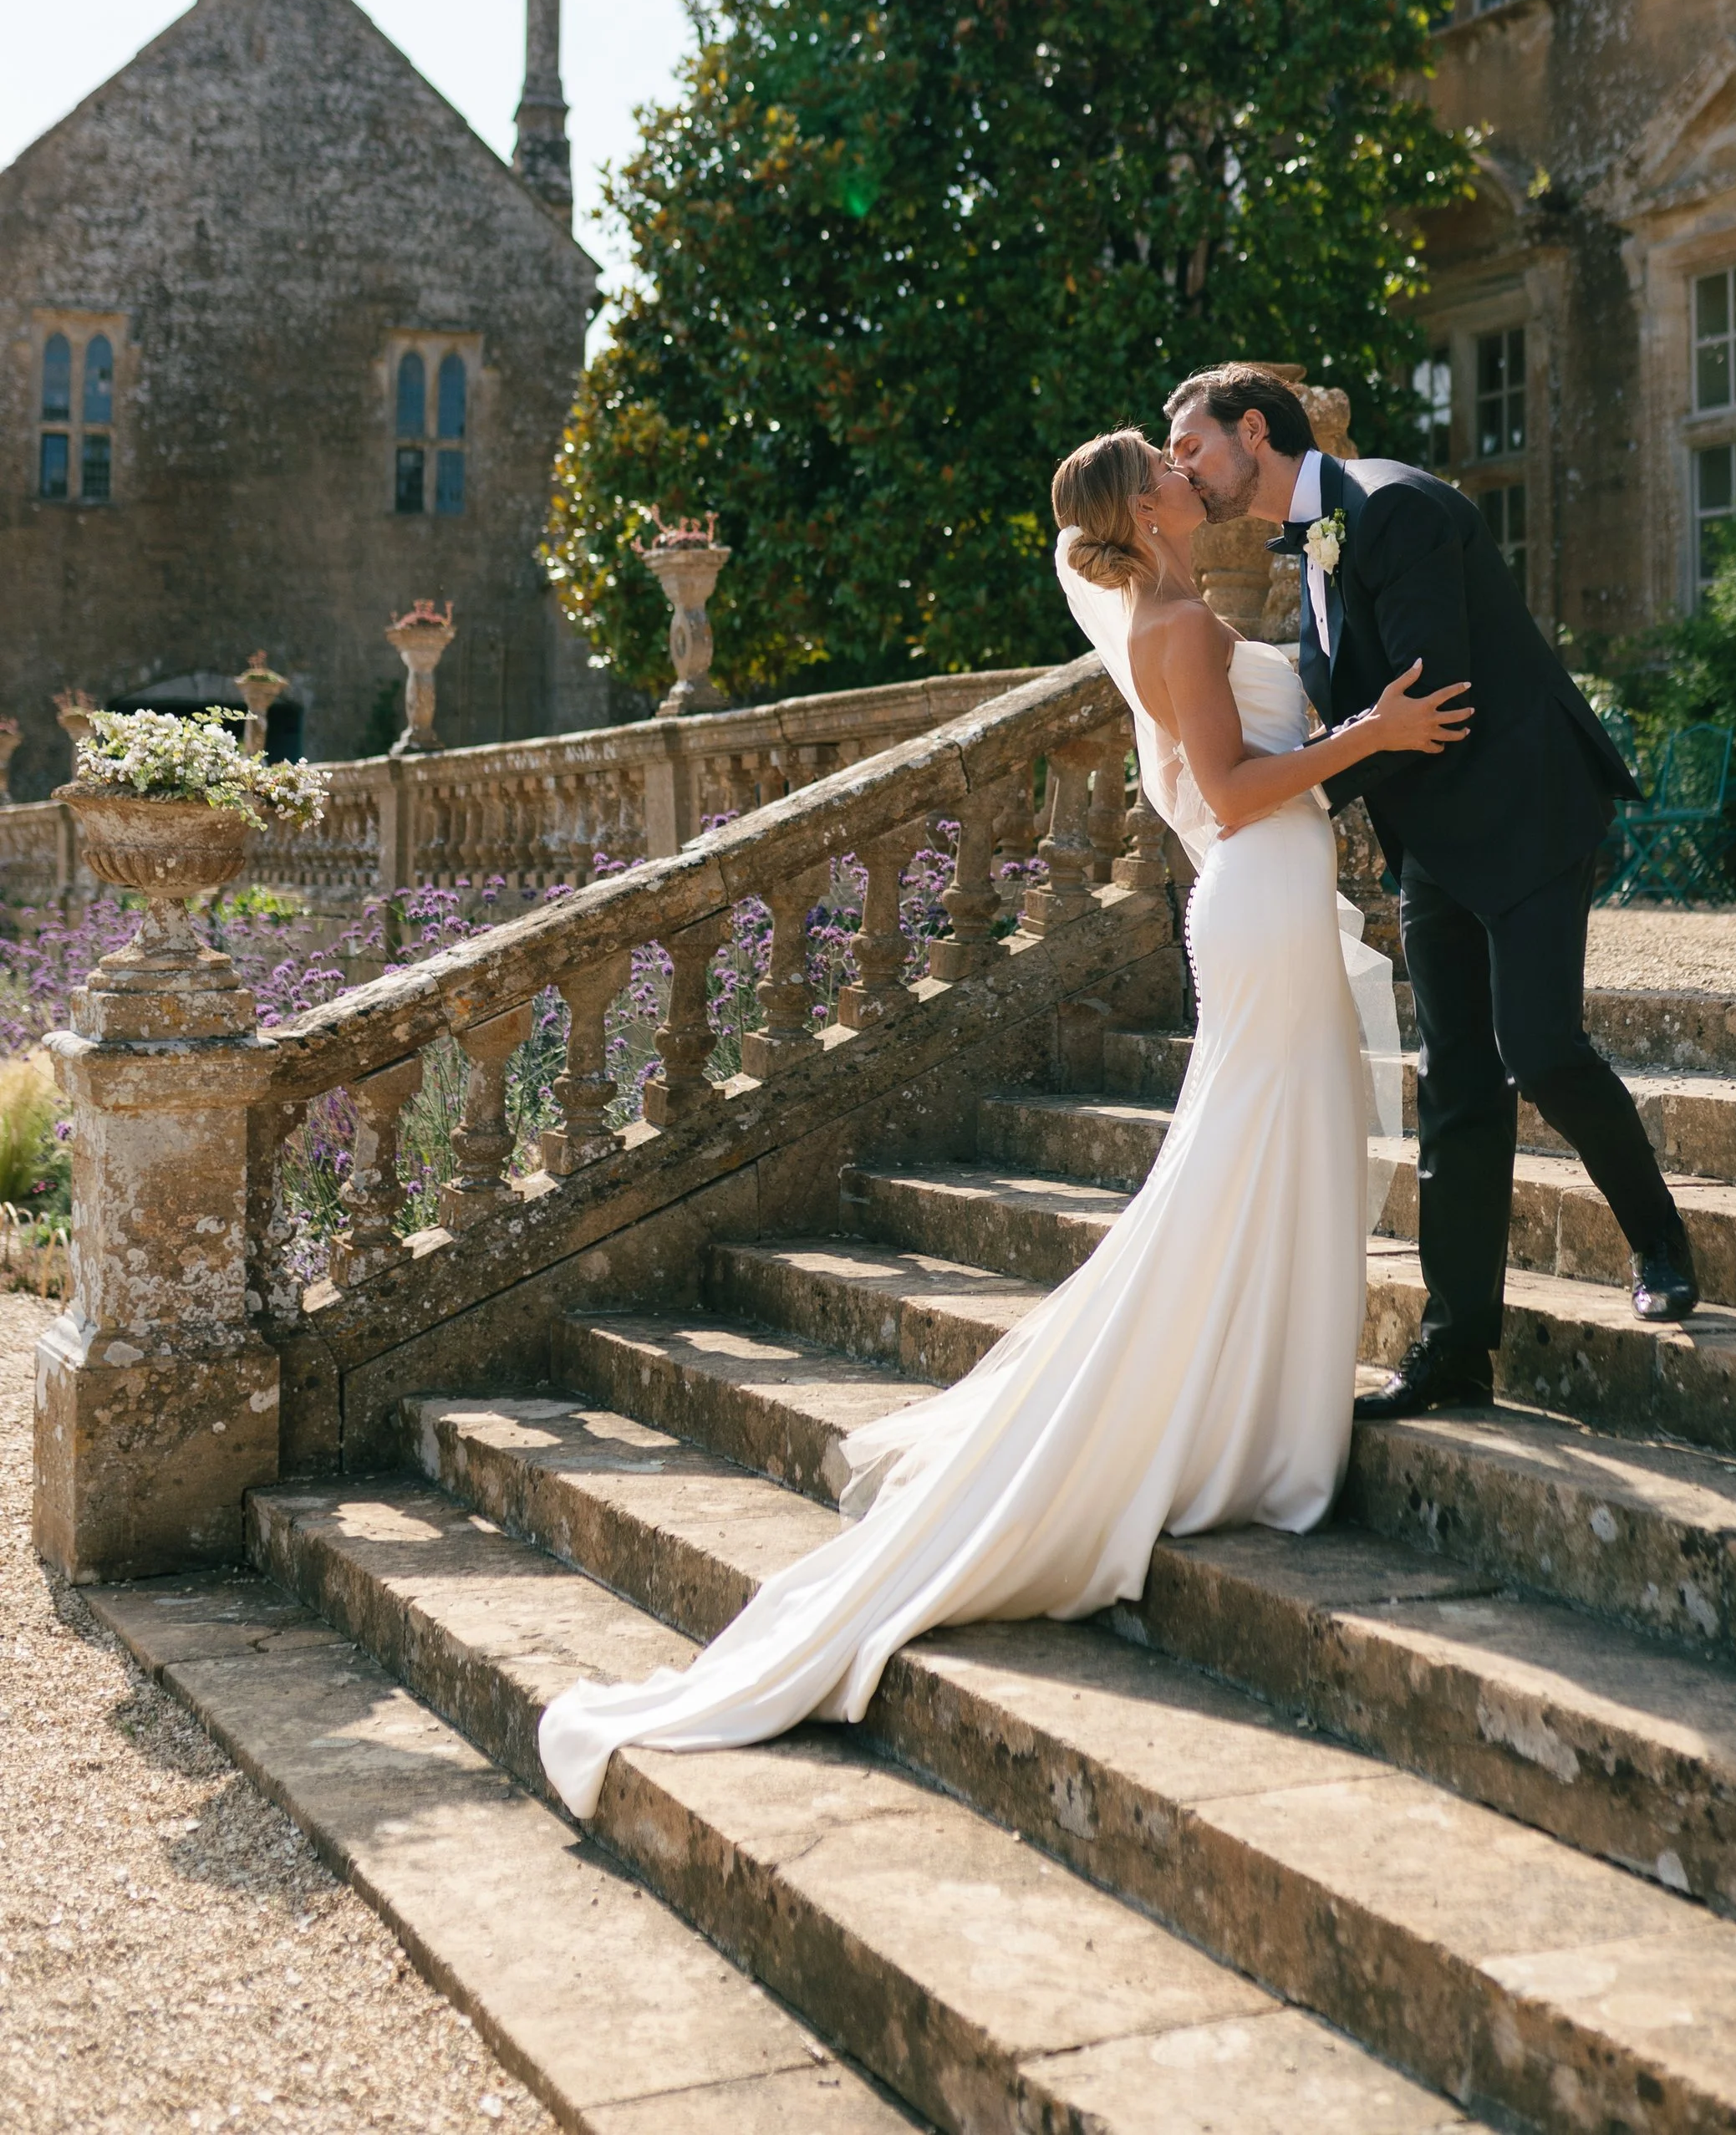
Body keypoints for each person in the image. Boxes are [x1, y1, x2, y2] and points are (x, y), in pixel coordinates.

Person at [536, 425, 1471, 1821]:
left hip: (1260, 901)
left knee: (1267, 1160)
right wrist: (1373, 737)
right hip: (1261, 898)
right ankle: (1252, 1437)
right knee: (1251, 1163)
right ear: (1144, 517)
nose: (1185, 474)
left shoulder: (1170, 613)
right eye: (1166, 470)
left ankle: (1264, 1420)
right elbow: (1226, 793)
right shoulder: (1182, 631)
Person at [1164, 363, 1698, 1425]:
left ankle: (1660, 1241)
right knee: (1451, 1081)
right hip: (1433, 840)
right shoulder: (1306, 544)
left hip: (1528, 804)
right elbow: (1377, 714)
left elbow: (1432, 699)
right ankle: (1455, 1355)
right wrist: (1311, 774)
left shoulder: (1392, 506)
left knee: (1538, 1049)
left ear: (1254, 432)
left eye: (1190, 450)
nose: (1183, 470)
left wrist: (1288, 797)